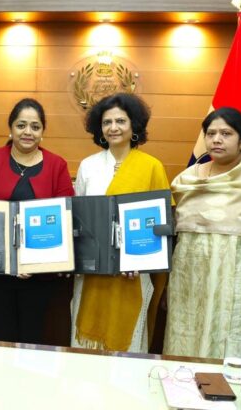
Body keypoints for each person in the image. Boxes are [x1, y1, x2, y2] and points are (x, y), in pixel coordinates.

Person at [163, 107, 241, 359]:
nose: (217, 139)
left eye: (226, 133)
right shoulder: (187, 180)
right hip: (192, 281)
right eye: (211, 134)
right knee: (188, 337)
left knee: (236, 345)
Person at [0, 98, 74, 344]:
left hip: (38, 275)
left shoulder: (57, 165)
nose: (28, 132)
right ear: (11, 128)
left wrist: (36, 263)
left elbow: (64, 219)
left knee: (32, 339)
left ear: (42, 132)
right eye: (21, 125)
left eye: (35, 127)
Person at [71, 93, 171, 352]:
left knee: (128, 348)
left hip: (133, 273)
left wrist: (139, 260)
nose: (113, 128)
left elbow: (161, 224)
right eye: (107, 122)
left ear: (133, 125)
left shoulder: (152, 167)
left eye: (120, 121)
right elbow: (78, 217)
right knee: (86, 350)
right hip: (93, 271)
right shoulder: (88, 166)